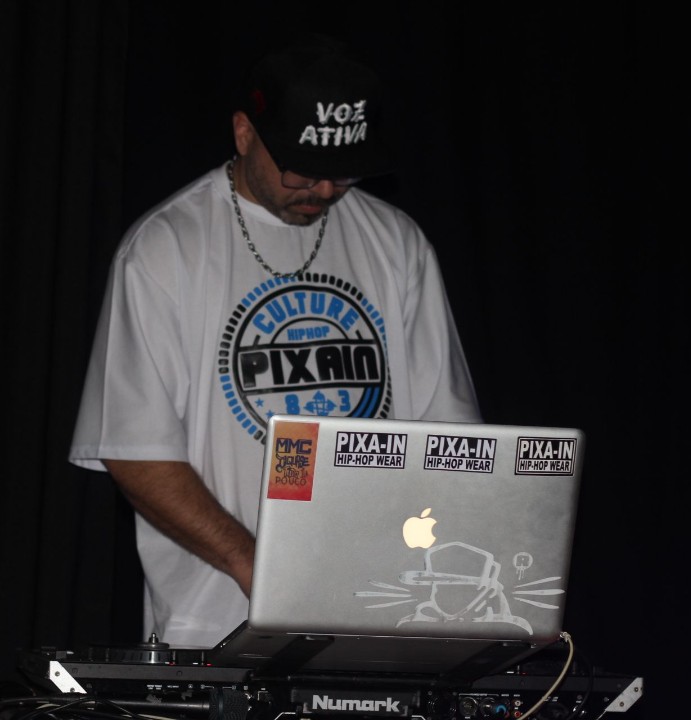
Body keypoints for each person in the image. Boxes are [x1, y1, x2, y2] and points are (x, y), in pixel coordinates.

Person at [70, 34, 482, 649]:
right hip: (217, 627)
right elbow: (134, 450)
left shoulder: (397, 243)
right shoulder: (165, 248)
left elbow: (449, 437)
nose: (323, 191)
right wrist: (257, 568)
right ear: (244, 133)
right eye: (302, 171)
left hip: (382, 616)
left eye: (343, 174)